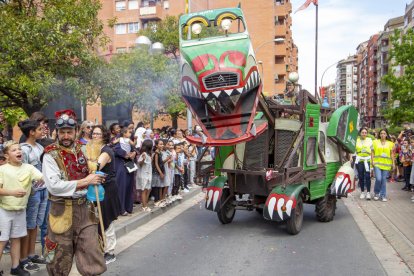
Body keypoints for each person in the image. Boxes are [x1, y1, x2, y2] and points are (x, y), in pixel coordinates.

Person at [42, 109, 106, 275]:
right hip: (61, 210)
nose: (65, 136)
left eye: (69, 132)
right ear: (57, 132)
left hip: (86, 208)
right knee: (59, 259)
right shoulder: (50, 154)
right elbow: (54, 186)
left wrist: (98, 178)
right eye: (62, 132)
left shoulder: (86, 149)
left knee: (92, 252)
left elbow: (94, 169)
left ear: (76, 131)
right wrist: (86, 181)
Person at [0, 141, 43, 276]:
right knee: (2, 240)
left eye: (19, 149)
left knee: (16, 238)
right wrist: (12, 192)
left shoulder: (28, 168)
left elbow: (42, 177)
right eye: (14, 150)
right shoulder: (2, 169)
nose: (19, 151)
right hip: (4, 210)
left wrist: (43, 180)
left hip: (21, 209)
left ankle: (15, 267)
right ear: (6, 156)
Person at [86, 125, 121, 265]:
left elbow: (95, 167)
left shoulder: (105, 151)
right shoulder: (96, 150)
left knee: (107, 219)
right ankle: (101, 247)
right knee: (97, 219)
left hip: (107, 189)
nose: (95, 136)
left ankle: (110, 251)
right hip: (97, 189)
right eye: (93, 134)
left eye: (98, 134)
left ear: (104, 136)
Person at [18, 120, 47, 272]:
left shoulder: (41, 147)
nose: (43, 131)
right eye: (40, 129)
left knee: (36, 223)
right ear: (32, 132)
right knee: (28, 224)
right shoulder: (24, 149)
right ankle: (23, 258)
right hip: (33, 191)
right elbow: (24, 172)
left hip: (44, 190)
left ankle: (31, 253)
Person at [114, 126, 136, 216]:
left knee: (130, 186)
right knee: (121, 187)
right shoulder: (118, 139)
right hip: (121, 165)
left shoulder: (129, 140)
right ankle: (121, 209)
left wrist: (134, 153)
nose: (130, 133)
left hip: (130, 164)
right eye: (129, 131)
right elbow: (115, 149)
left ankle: (128, 207)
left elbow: (135, 148)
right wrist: (125, 154)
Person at [371, 129, 395, 202]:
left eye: (384, 133)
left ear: (386, 134)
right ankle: (376, 193)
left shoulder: (391, 143)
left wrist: (393, 163)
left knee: (384, 180)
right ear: (379, 134)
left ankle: (383, 195)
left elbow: (392, 154)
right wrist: (372, 161)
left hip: (386, 164)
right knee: (378, 178)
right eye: (381, 133)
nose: (382, 135)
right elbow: (372, 152)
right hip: (377, 163)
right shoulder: (375, 142)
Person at [355, 127, 373, 200]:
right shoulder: (357, 140)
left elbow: (372, 151)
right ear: (360, 133)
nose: (364, 134)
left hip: (367, 160)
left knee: (368, 176)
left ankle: (368, 192)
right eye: (363, 132)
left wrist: (372, 160)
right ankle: (362, 192)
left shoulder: (369, 140)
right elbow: (353, 150)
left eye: (365, 132)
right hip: (359, 160)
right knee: (361, 176)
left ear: (367, 133)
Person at [137, 139, 153, 211]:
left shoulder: (149, 155)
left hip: (148, 174)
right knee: (144, 190)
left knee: (147, 189)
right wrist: (143, 159)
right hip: (143, 175)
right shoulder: (143, 154)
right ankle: (144, 206)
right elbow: (140, 163)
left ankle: (145, 204)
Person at [152, 140, 166, 207]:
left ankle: (160, 200)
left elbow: (161, 162)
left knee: (160, 186)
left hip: (161, 170)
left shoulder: (160, 152)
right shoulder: (156, 153)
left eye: (162, 144)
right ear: (156, 145)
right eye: (160, 144)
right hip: (157, 172)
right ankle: (156, 201)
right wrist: (160, 172)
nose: (162, 145)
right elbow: (156, 164)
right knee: (157, 187)